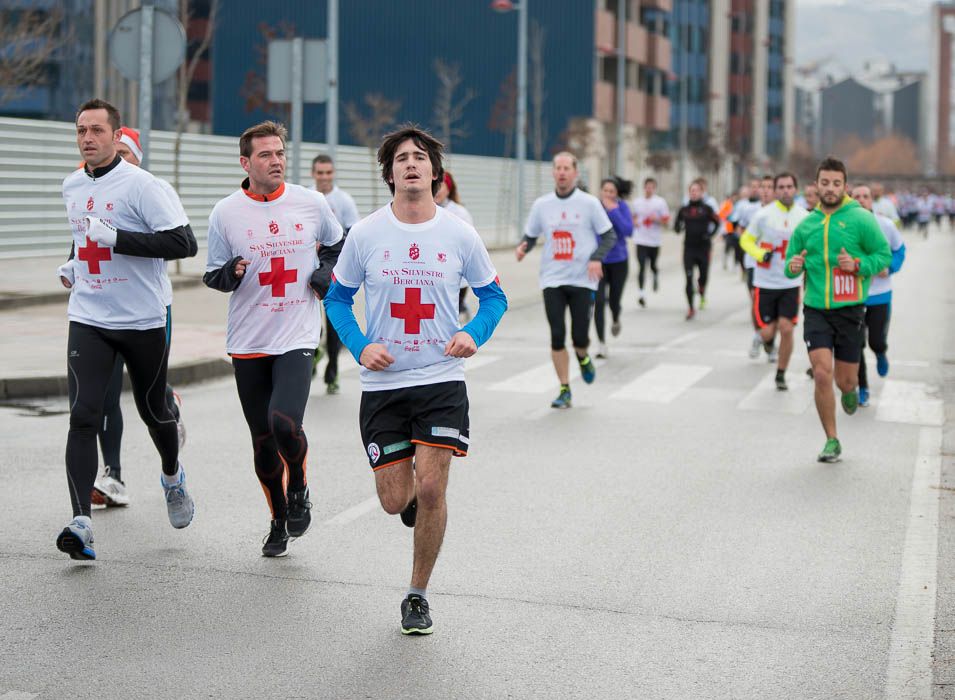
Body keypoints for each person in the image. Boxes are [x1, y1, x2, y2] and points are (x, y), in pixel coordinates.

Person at [324, 125, 507, 634]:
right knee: (393, 499)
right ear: (389, 174)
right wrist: (361, 346)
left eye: (419, 157)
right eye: (401, 158)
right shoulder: (365, 234)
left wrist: (474, 333)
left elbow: (495, 297)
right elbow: (336, 300)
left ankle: (417, 594)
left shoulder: (459, 234)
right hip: (383, 386)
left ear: (434, 172)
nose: (411, 164)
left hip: (441, 380)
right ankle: (409, 508)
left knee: (431, 489)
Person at [56, 98, 198, 560]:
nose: (88, 138)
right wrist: (74, 264)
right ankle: (81, 522)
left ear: (117, 137)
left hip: (142, 319)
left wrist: (117, 239)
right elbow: (83, 237)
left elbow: (183, 242)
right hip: (90, 317)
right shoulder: (72, 186)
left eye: (97, 130)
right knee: (83, 414)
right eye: (81, 130)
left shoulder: (143, 186)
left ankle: (172, 476)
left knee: (153, 410)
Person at [204, 122, 343, 557]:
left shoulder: (310, 203)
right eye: (265, 155)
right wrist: (231, 273)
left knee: (285, 422)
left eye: (280, 153)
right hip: (248, 339)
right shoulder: (225, 213)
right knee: (263, 439)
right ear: (246, 163)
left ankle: (299, 485)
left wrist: (323, 276)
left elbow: (340, 247)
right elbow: (212, 274)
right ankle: (278, 519)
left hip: (296, 333)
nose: (276, 160)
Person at [784, 157, 891, 462]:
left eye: (836, 183)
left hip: (850, 310)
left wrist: (858, 265)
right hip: (816, 309)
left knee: (845, 381)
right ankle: (832, 439)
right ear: (816, 185)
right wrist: (793, 267)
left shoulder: (861, 219)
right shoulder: (806, 224)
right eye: (825, 182)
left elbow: (882, 255)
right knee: (820, 374)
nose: (830, 189)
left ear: (845, 186)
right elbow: (791, 264)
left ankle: (849, 389)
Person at [516, 152, 616, 408]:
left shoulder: (589, 203)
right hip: (552, 279)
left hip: (583, 279)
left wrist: (596, 258)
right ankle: (565, 388)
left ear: (575, 173)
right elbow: (530, 235)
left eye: (566, 168)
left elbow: (608, 236)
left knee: (579, 337)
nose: (561, 172)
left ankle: (583, 357)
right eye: (557, 168)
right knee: (557, 334)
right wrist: (523, 248)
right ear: (553, 172)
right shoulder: (542, 205)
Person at [739, 172, 808, 390]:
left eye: (790, 186)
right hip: (765, 282)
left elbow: (813, 246)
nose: (786, 190)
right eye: (782, 187)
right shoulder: (763, 215)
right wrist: (760, 254)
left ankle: (781, 373)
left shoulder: (804, 216)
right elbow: (746, 240)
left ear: (795, 189)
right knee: (768, 331)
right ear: (775, 190)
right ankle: (768, 343)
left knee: (787, 328)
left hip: (790, 284)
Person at [849, 183, 906, 406]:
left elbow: (899, 251)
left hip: (880, 294)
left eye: (866, 196)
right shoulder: (845, 226)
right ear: (851, 200)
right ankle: (862, 387)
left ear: (872, 201)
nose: (862, 200)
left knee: (875, 341)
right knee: (856, 344)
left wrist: (889, 268)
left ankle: (881, 352)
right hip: (854, 295)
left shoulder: (886, 225)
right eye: (857, 197)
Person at [311, 154, 360, 394]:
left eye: (328, 173)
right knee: (310, 317)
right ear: (314, 174)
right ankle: (311, 354)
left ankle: (333, 370)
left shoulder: (344, 200)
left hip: (335, 267)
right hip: (309, 268)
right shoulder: (306, 197)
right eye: (320, 173)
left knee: (333, 321)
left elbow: (353, 234)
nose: (324, 178)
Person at [593, 176, 633, 357]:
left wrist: (614, 211)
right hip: (598, 263)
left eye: (612, 192)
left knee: (614, 301)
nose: (608, 194)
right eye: (605, 191)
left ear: (617, 194)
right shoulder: (594, 207)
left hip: (619, 261)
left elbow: (628, 231)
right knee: (599, 302)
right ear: (601, 192)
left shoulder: (622, 207)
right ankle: (601, 344)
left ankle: (616, 317)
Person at [674, 180, 720, 320]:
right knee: (688, 278)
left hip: (703, 248)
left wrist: (710, 235)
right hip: (689, 248)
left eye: (696, 190)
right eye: (691, 191)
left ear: (701, 193)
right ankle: (691, 308)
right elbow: (676, 226)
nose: (694, 193)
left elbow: (717, 223)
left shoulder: (707, 209)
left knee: (703, 276)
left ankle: (701, 288)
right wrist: (678, 227)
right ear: (689, 193)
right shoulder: (684, 209)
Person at [433, 171, 475, 323]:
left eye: (441, 186)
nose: (437, 190)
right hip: (431, 272)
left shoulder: (460, 213)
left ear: (449, 189)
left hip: (455, 272)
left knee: (449, 316)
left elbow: (470, 244)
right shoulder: (422, 211)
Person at [630, 177, 670, 307]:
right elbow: (634, 217)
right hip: (640, 239)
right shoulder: (637, 202)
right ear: (644, 187)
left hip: (654, 240)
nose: (649, 189)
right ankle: (641, 293)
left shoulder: (660, 202)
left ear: (654, 188)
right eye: (647, 187)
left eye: (651, 187)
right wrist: (634, 221)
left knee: (653, 265)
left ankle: (655, 275)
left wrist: (656, 219)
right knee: (641, 266)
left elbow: (666, 221)